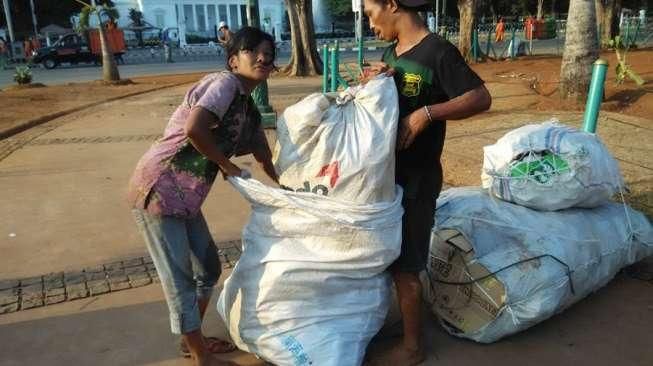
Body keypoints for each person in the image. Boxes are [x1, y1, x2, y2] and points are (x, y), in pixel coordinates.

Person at [127, 27, 278, 366]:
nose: (263, 57)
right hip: (159, 190)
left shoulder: (248, 109)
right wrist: (225, 164)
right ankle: (201, 357)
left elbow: (263, 156)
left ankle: (190, 340)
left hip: (186, 199)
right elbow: (195, 128)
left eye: (269, 52)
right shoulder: (223, 85)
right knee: (179, 278)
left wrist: (289, 190)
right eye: (253, 50)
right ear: (233, 59)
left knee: (208, 268)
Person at [362, 0, 492, 365]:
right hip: (387, 176)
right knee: (388, 257)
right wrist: (379, 80)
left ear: (392, 5)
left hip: (417, 179)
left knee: (406, 264)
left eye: (371, 15)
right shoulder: (393, 51)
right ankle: (406, 324)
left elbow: (480, 97)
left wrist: (428, 114)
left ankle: (413, 348)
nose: (371, 25)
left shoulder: (437, 51)